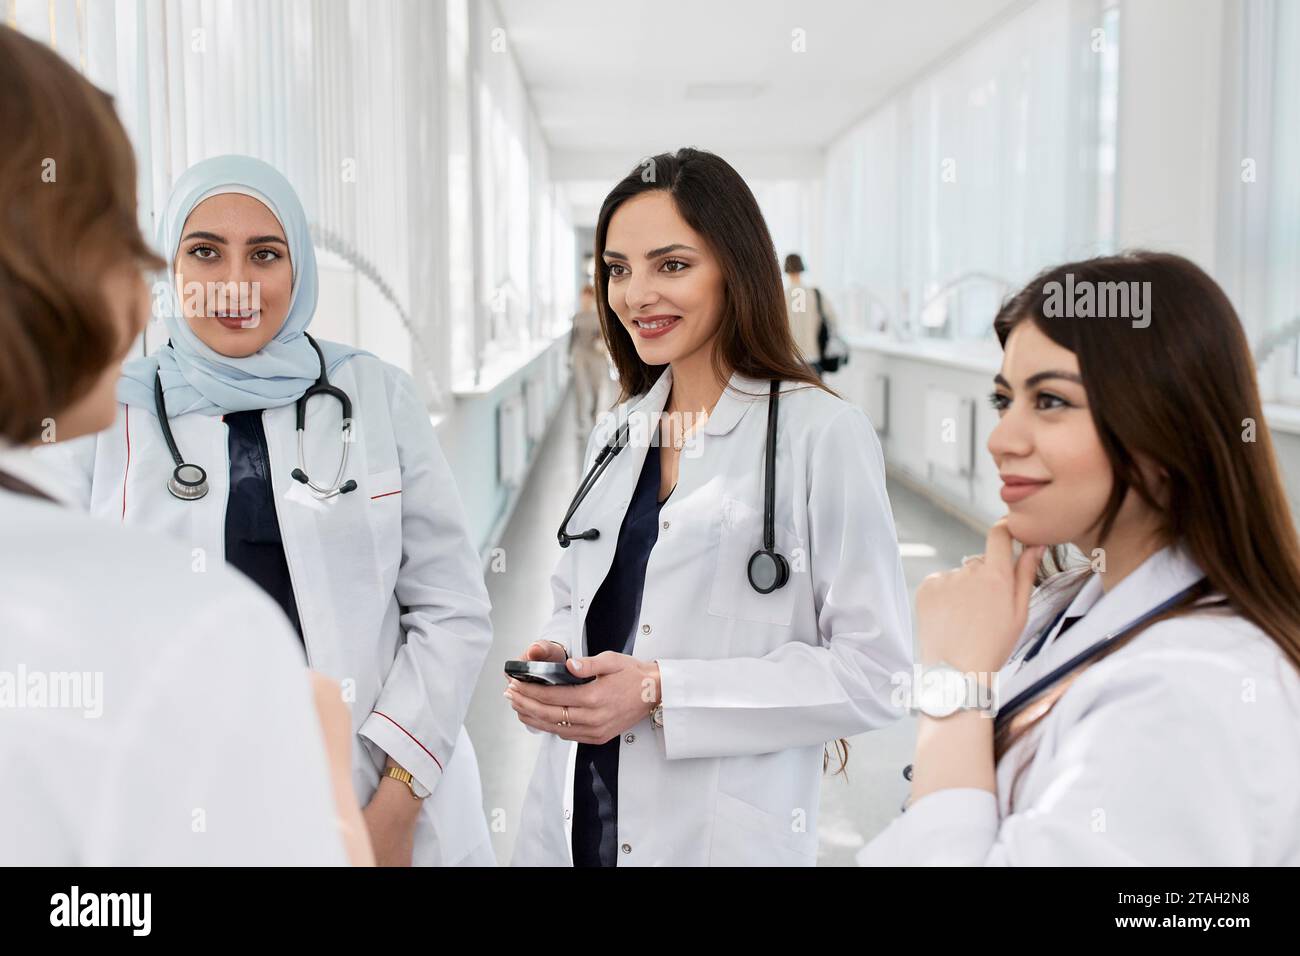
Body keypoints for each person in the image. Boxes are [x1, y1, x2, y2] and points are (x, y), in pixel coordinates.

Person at [37, 153, 495, 867]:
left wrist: (396, 806)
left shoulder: (375, 395)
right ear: (172, 269)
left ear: (299, 268)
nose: (235, 284)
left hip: (383, 791)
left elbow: (451, 610)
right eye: (205, 253)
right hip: (182, 801)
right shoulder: (105, 415)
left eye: (265, 254)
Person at [0, 23, 368, 865]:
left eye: (264, 253)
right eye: (140, 246)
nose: (148, 279)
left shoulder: (368, 389)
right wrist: (337, 822)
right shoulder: (191, 634)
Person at [507, 147, 912, 866]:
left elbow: (877, 674)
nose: (634, 295)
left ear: (736, 268)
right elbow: (578, 597)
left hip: (716, 837)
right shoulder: (621, 427)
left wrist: (664, 692)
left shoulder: (822, 435)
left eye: (671, 265)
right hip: (578, 817)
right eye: (617, 269)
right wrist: (556, 661)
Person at [860, 252, 1300, 865]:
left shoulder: (1191, 693)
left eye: (1052, 402)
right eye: (1004, 401)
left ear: (1169, 425)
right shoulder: (1079, 599)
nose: (1000, 440)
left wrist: (954, 682)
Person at [783, 252, 839, 377]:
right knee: (816, 396)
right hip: (813, 359)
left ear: (786, 270)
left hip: (790, 360)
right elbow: (833, 320)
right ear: (802, 269)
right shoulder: (815, 294)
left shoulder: (781, 297)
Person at [569, 284, 612, 435]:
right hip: (579, 355)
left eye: (588, 296)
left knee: (596, 388)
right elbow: (572, 339)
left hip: (595, 355)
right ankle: (580, 422)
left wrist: (600, 342)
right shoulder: (577, 316)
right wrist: (569, 357)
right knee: (580, 389)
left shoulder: (598, 317)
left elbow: (604, 336)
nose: (585, 300)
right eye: (583, 296)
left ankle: (593, 415)